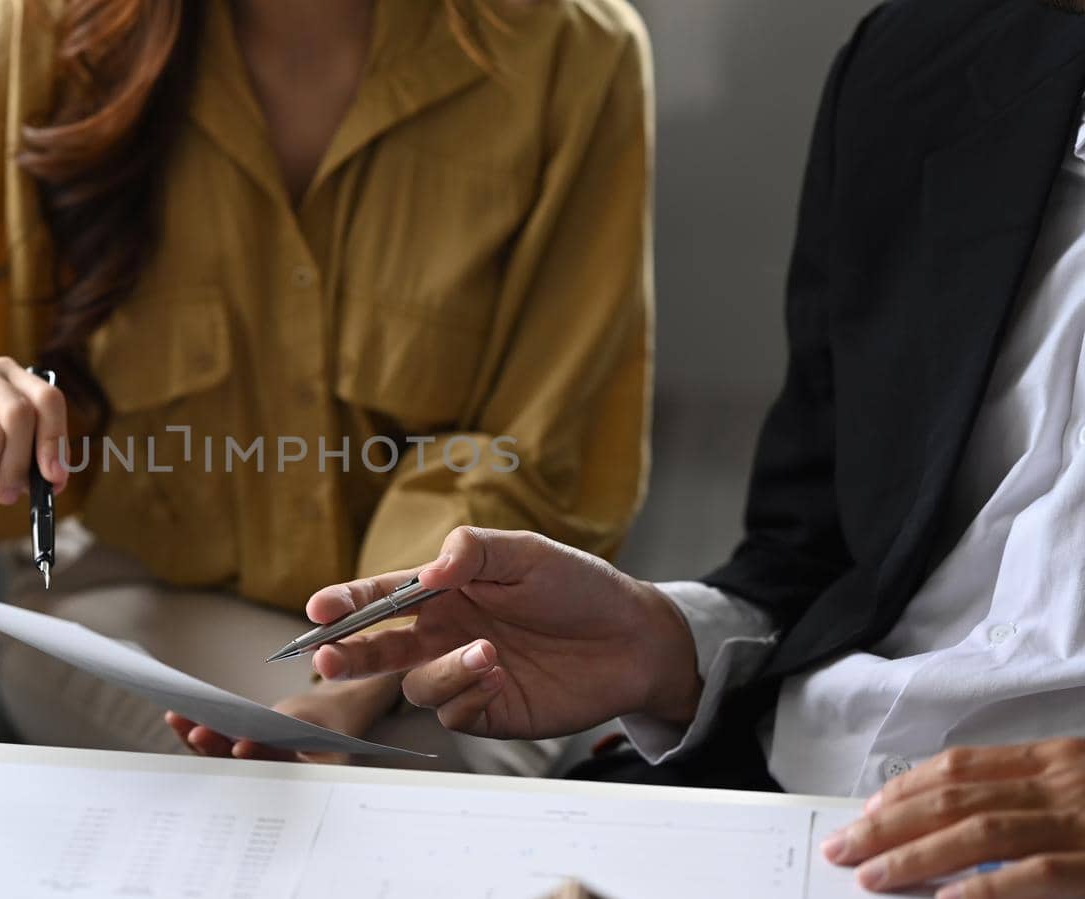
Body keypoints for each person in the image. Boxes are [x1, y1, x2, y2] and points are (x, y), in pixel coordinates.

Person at [177, 0, 1085, 892]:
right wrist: (667, 643)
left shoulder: (567, 53)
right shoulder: (922, 62)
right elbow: (813, 549)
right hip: (766, 800)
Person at [0, 0, 654, 772]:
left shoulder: (573, 55)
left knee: (417, 786)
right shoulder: (39, 34)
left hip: (438, 616)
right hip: (141, 599)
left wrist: (347, 689)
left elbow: (526, 452)